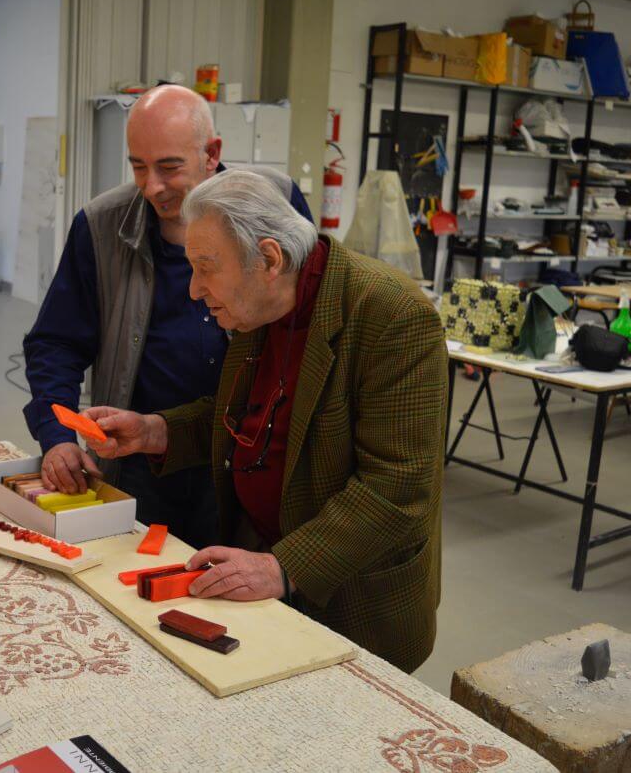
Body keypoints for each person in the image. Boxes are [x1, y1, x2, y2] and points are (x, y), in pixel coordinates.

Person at [80, 169, 447, 673]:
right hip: (264, 567)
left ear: (269, 258)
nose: (193, 290)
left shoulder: (392, 316)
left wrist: (285, 568)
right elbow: (240, 413)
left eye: (205, 268)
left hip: (353, 597)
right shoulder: (262, 304)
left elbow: (397, 486)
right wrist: (154, 431)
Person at [21, 85, 313, 549]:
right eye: (138, 165)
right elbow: (55, 342)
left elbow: (306, 323)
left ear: (211, 153)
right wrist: (56, 435)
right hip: (144, 462)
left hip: (252, 457)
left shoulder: (275, 203)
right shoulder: (100, 227)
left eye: (169, 167)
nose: (151, 185)